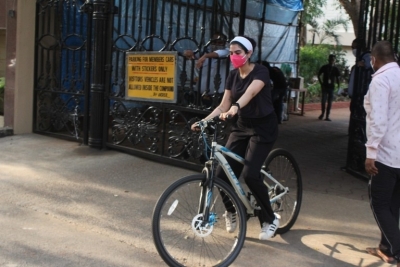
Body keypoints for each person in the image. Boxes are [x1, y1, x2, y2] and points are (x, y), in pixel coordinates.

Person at [191, 35, 280, 240]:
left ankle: (269, 218)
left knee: (250, 174)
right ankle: (232, 211)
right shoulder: (232, 75)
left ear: (249, 54)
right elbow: (223, 105)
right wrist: (204, 121)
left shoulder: (261, 71)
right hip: (241, 127)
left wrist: (236, 107)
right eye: (231, 53)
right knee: (222, 176)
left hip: (263, 128)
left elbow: (250, 93)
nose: (233, 56)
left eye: (238, 53)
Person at [364, 40, 400, 266]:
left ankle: (396, 248)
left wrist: (371, 152)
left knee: (378, 204)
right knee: (393, 204)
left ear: (374, 60)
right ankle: (386, 248)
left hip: (386, 155)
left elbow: (378, 120)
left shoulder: (381, 80)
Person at [183, 32, 229, 97]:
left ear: (224, 43)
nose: (216, 44)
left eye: (220, 42)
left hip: (217, 95)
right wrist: (188, 53)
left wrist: (206, 56)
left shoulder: (227, 51)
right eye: (214, 42)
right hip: (199, 93)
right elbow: (193, 54)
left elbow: (220, 53)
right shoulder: (206, 51)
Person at [317, 54, 341, 121]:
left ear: (334, 60)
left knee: (330, 102)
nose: (331, 61)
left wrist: (339, 86)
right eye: (330, 59)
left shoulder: (336, 69)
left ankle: (327, 116)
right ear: (328, 60)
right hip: (325, 86)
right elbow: (319, 74)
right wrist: (321, 83)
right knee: (323, 101)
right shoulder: (325, 67)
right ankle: (322, 113)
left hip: (331, 87)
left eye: (333, 59)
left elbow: (338, 78)